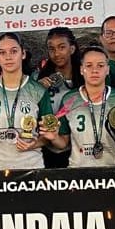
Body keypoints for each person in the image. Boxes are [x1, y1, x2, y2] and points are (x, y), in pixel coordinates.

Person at [0, 33, 56, 170]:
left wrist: (34, 144)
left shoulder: (38, 90)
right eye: (2, 52)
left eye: (13, 51)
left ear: (23, 54)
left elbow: (48, 133)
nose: (8, 57)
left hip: (30, 165)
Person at [56, 46, 115, 168]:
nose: (95, 70)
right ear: (81, 69)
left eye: (100, 65)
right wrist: (52, 137)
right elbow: (63, 142)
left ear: (108, 69)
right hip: (79, 172)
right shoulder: (69, 99)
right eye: (89, 66)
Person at [35, 27, 82, 168]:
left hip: (77, 147)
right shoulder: (38, 79)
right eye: (51, 49)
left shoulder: (84, 79)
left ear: (72, 49)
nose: (56, 53)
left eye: (62, 47)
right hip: (46, 147)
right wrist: (36, 90)